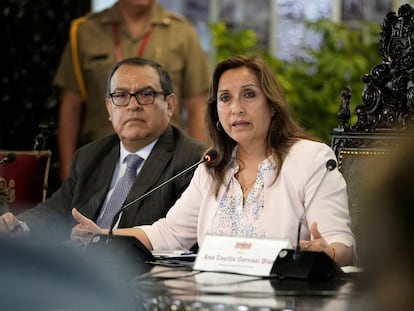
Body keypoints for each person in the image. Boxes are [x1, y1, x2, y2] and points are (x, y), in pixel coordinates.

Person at [71, 55, 355, 266]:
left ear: (272, 104)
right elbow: (168, 233)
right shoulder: (212, 167)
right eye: (225, 98)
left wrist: (327, 253)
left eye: (249, 95)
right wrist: (105, 235)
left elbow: (343, 246)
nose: (237, 108)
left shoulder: (311, 159)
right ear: (216, 112)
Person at [0, 57, 206, 240]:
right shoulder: (90, 156)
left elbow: (175, 237)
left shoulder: (193, 161)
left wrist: (103, 243)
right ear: (109, 108)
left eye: (146, 94)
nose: (133, 105)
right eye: (121, 95)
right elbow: (55, 211)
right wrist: (19, 227)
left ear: (169, 105)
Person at [54, 0, 210, 180]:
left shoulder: (182, 33)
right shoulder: (86, 31)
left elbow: (198, 105)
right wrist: (67, 170)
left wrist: (199, 169)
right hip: (99, 164)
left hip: (165, 165)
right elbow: (71, 105)